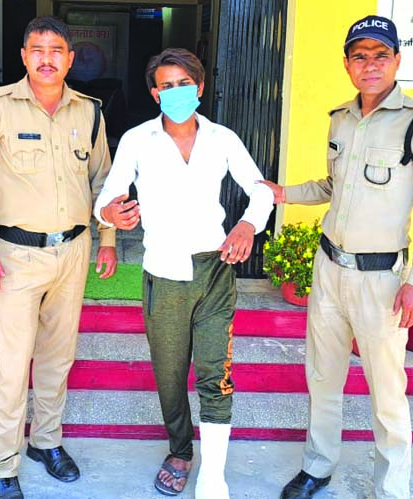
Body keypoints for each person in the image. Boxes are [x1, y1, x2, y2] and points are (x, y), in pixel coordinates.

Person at [261, 15, 413, 499]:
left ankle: (391, 488)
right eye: (360, 56)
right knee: (323, 378)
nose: (370, 64)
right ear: (347, 64)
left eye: (381, 55)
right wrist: (284, 193)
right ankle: (317, 467)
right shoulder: (340, 119)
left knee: (387, 392)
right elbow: (334, 185)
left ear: (397, 60)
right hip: (329, 271)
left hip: (381, 280)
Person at [94, 48, 273, 498]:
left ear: (200, 88)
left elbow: (261, 191)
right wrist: (112, 213)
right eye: (167, 86)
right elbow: (108, 196)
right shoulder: (137, 140)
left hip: (215, 270)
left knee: (216, 373)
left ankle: (213, 476)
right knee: (170, 376)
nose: (176, 92)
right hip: (164, 272)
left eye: (184, 84)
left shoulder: (222, 138)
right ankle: (180, 450)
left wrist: (248, 224)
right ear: (155, 94)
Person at [0, 16, 116, 499]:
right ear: (24, 56)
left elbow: (103, 181)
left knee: (57, 356)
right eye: (37, 50)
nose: (47, 59)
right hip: (15, 256)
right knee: (12, 365)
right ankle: (2, 464)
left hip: (74, 250)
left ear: (70, 59)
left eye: (56, 50)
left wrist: (108, 239)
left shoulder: (89, 112)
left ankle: (45, 442)